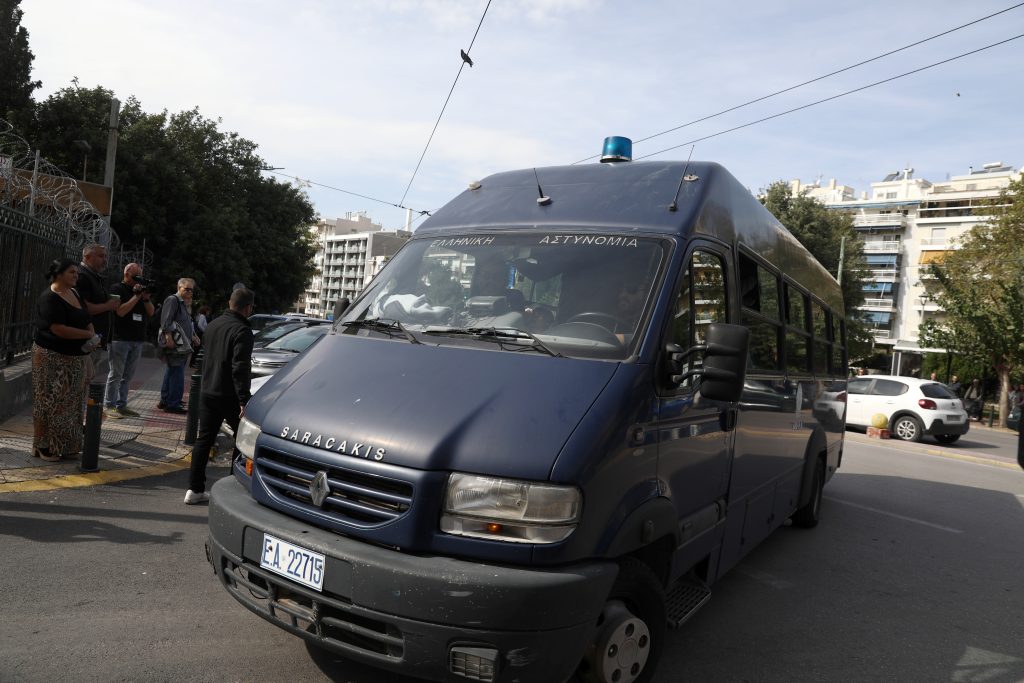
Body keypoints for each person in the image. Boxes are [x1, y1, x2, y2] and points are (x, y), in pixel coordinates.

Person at [184, 288, 255, 504]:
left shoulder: (213, 325)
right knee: (243, 439)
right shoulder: (242, 330)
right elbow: (240, 367)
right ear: (248, 308)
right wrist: (244, 399)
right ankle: (233, 489)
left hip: (208, 390)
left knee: (204, 440)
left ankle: (194, 489)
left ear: (230, 303)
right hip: (229, 395)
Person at [31, 259, 101, 462]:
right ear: (59, 274)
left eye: (77, 272)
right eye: (72, 272)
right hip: (51, 357)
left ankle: (67, 445)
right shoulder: (49, 297)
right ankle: (43, 446)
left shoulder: (75, 292)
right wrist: (87, 335)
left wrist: (91, 339)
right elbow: (58, 329)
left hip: (75, 358)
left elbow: (86, 318)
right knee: (49, 401)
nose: (76, 276)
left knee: (72, 404)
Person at [103, 263, 155, 419]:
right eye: (135, 276)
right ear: (126, 274)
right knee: (116, 374)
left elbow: (151, 312)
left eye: (140, 276)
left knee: (128, 376)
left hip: (137, 339)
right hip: (120, 339)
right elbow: (120, 311)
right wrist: (136, 296)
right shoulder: (117, 288)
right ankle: (109, 406)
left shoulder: (140, 292)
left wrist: (145, 298)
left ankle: (122, 405)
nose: (138, 280)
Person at [75, 244, 119, 399]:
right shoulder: (82, 276)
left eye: (105, 256)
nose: (105, 260)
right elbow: (85, 308)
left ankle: (81, 411)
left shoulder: (95, 276)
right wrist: (108, 306)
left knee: (87, 379)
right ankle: (77, 412)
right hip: (87, 339)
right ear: (87, 257)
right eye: (101, 256)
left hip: (96, 339)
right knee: (81, 379)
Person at [158, 278, 200, 414]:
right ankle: (173, 403)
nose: (190, 292)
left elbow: (185, 322)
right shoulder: (173, 300)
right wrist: (168, 337)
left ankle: (166, 400)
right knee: (177, 373)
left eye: (191, 290)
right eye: (187, 289)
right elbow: (166, 320)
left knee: (172, 371)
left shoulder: (184, 303)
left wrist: (193, 336)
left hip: (182, 343)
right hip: (176, 344)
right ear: (179, 288)